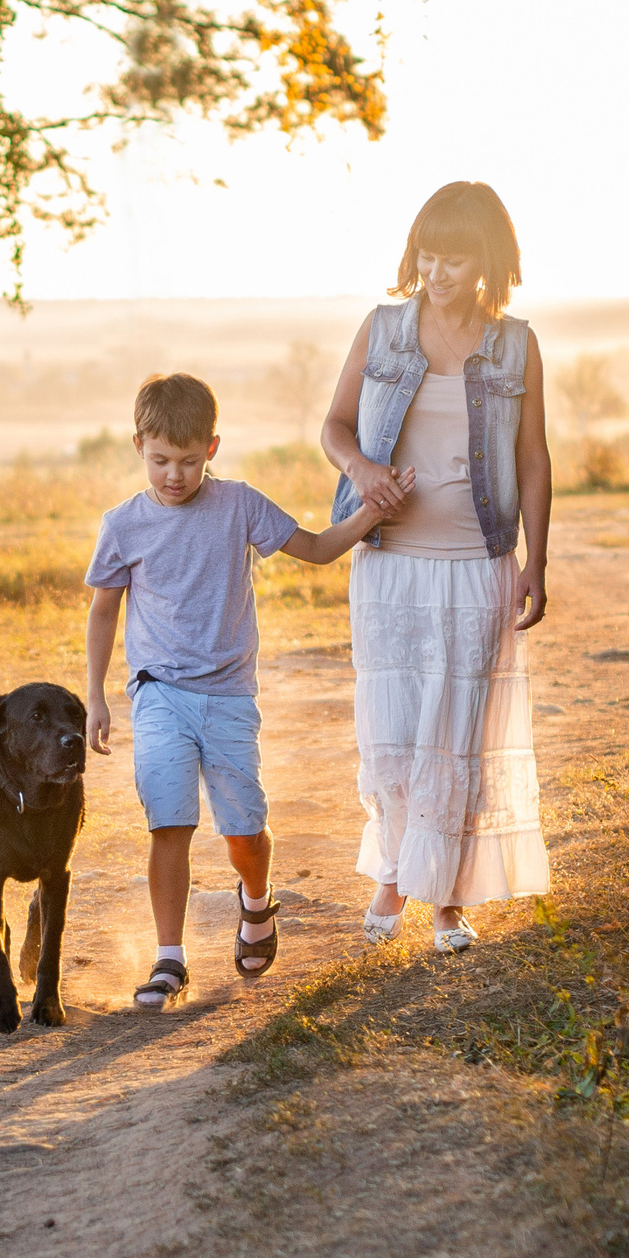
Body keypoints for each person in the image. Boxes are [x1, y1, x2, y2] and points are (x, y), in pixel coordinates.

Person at [84, 373, 405, 1010]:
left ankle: (255, 902)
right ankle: (169, 958)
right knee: (168, 822)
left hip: (229, 694)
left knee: (242, 828)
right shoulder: (123, 525)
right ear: (138, 447)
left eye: (188, 460)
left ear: (212, 447)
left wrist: (372, 512)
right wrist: (96, 696)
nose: (174, 475)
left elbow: (313, 548)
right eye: (160, 461)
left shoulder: (238, 505)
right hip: (158, 693)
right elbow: (102, 612)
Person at [319, 181, 554, 954]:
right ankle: (394, 873)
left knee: (459, 736)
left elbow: (532, 459)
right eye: (427, 252)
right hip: (389, 564)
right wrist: (359, 470)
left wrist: (535, 562)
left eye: (454, 256)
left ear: (486, 260)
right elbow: (336, 427)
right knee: (393, 732)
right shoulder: (384, 329)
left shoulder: (516, 344)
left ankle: (446, 899)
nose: (436, 270)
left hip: (479, 562)